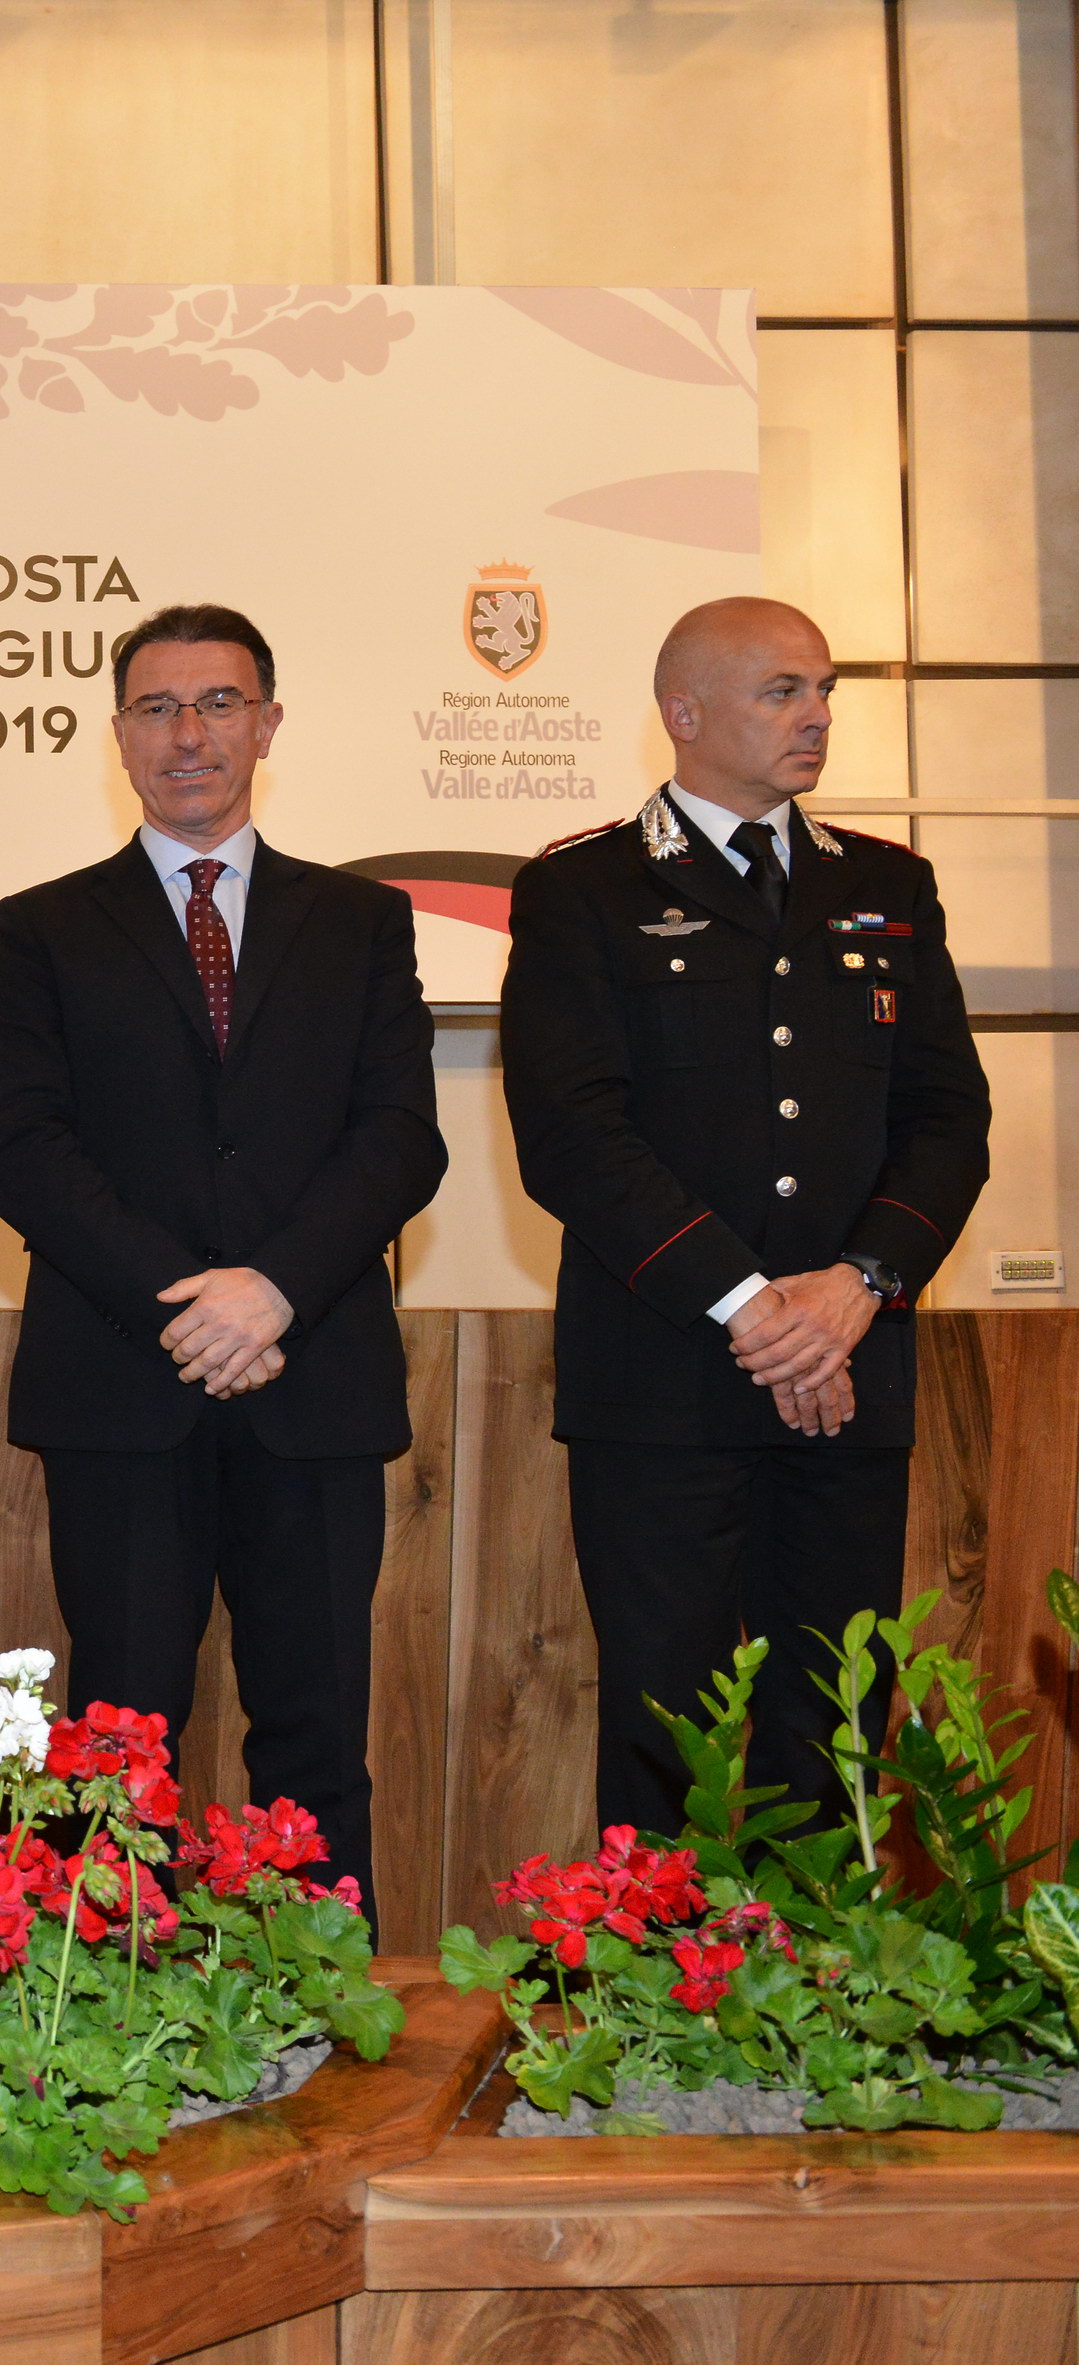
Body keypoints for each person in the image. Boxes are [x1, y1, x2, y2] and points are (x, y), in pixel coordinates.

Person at [0, 604, 444, 1913]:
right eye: (157, 707)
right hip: (123, 1383)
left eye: (218, 703)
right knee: (117, 1744)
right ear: (119, 734)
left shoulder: (360, 920)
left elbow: (400, 1138)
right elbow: (24, 1152)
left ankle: (327, 2007)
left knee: (315, 1735)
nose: (188, 734)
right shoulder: (43, 927)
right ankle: (104, 2011)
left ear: (267, 724)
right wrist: (190, 1307)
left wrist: (272, 1290)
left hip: (314, 1379)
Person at [503, 596, 990, 1837]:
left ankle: (822, 1963)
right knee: (664, 1734)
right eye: (783, 690)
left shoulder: (886, 885)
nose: (816, 714)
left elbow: (949, 1120)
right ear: (684, 711)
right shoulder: (582, 889)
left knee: (834, 1726)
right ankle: (664, 1967)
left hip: (849, 1374)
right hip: (663, 1385)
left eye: (824, 689)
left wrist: (856, 1287)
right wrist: (753, 1307)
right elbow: (572, 1134)